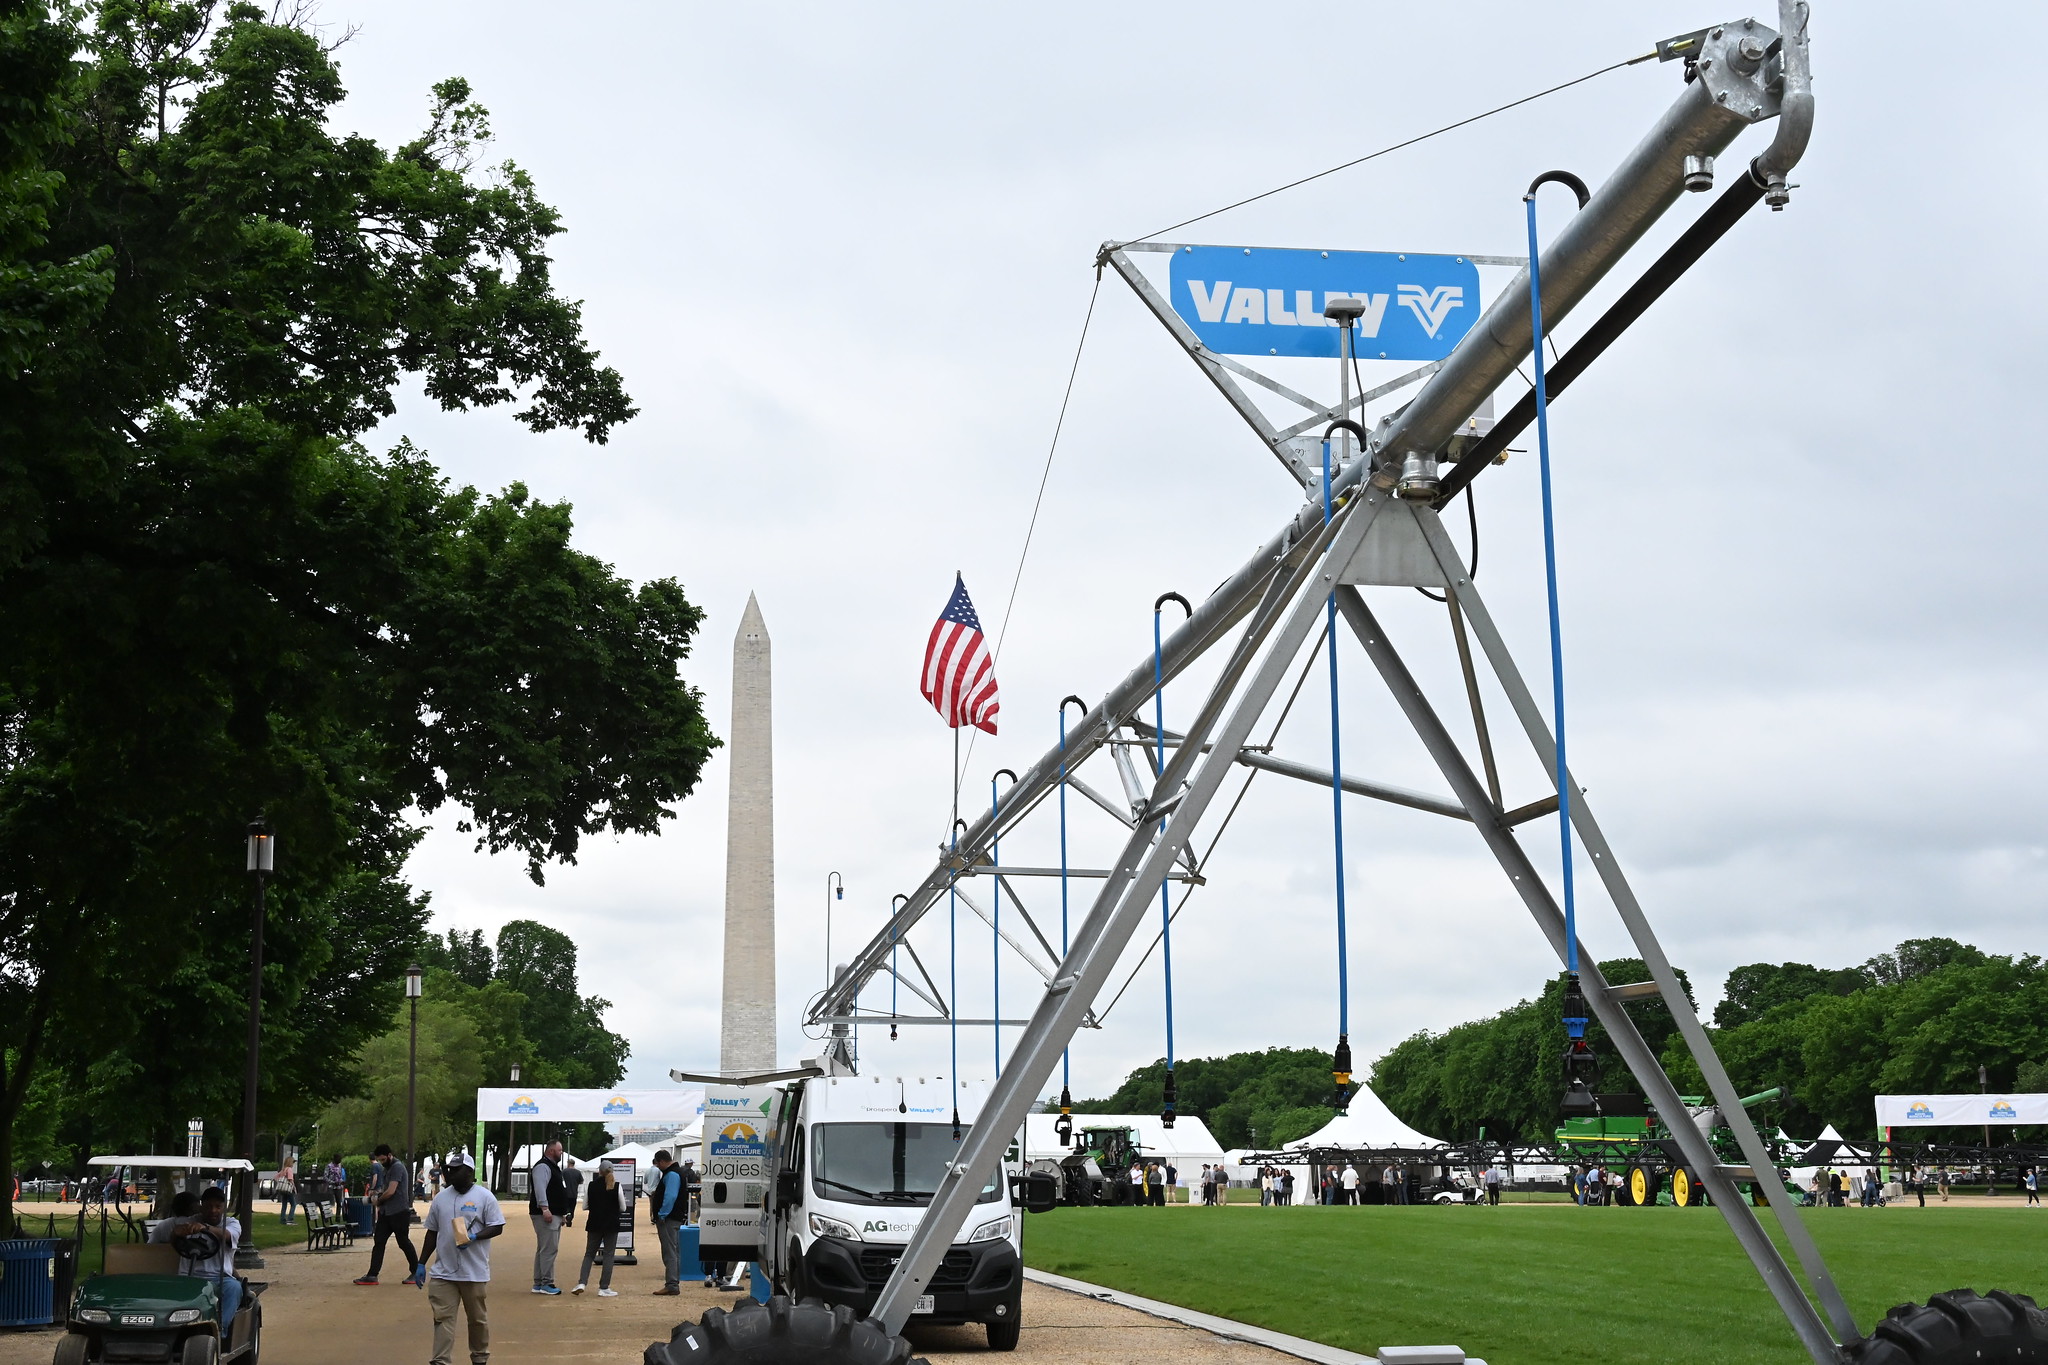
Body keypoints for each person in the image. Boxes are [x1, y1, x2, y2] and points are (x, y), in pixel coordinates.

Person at [421, 1150, 504, 1365]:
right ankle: (440, 1360)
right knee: (442, 1319)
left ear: (469, 1172)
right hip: (444, 1272)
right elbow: (432, 1231)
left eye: (456, 1170)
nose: (450, 1173)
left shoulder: (484, 1197)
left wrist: (475, 1236)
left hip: (473, 1272)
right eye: (449, 1169)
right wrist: (421, 1263)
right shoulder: (441, 1198)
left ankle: (479, 1357)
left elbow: (497, 1226)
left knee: (477, 1320)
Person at [151, 1186, 245, 1328]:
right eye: (208, 1206)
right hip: (188, 1276)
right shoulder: (189, 1221)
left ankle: (220, 1331)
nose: (213, 1210)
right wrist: (176, 1233)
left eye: (217, 1207)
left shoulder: (232, 1223)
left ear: (223, 1208)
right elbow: (174, 1240)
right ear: (201, 1207)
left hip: (218, 1278)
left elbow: (227, 1235)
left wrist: (205, 1228)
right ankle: (166, 1330)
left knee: (234, 1288)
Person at [356, 1144, 423, 1287]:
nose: (381, 1162)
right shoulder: (387, 1168)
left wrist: (378, 1201)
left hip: (399, 1212)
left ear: (390, 1155)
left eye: (383, 1159)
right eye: (379, 1160)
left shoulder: (397, 1167)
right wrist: (378, 1195)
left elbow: (391, 1191)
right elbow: (386, 1190)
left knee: (403, 1242)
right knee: (379, 1242)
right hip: (387, 1212)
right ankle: (372, 1275)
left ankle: (416, 1271)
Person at [572, 1160, 623, 1296]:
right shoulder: (617, 1186)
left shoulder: (592, 1185)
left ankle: (582, 1282)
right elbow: (623, 1207)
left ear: (599, 1171)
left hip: (594, 1223)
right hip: (611, 1224)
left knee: (589, 1254)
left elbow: (584, 1206)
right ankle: (604, 1287)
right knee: (608, 1255)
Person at [528, 1138, 571, 1295]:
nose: (561, 1153)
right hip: (546, 1214)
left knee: (544, 1249)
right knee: (549, 1249)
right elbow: (540, 1189)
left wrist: (562, 1213)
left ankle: (539, 1283)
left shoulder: (553, 1167)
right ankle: (547, 1282)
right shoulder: (542, 1167)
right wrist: (545, 1209)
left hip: (554, 1213)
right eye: (560, 1150)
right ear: (551, 1151)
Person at [648, 1149, 687, 1295]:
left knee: (669, 1251)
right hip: (675, 1217)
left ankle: (671, 1284)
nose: (658, 1167)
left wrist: (662, 1214)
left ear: (662, 1161)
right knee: (675, 1251)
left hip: (669, 1219)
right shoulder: (678, 1172)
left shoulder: (672, 1174)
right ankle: (673, 1282)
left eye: (658, 1164)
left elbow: (670, 1196)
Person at [559, 1156, 584, 1231]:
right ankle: (570, 1218)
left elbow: (560, 1180)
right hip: (574, 1193)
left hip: (565, 1193)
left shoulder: (564, 1171)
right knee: (572, 1207)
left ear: (568, 1163)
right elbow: (581, 1181)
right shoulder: (578, 1172)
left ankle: (567, 1216)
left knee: (566, 1207)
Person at [277, 1154, 297, 1226]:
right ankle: (290, 1219)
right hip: (288, 1189)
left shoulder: (283, 1169)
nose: (293, 1164)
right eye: (293, 1162)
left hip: (282, 1190)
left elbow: (276, 1177)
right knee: (293, 1204)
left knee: (284, 1205)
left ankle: (282, 1219)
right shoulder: (289, 1170)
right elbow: (290, 1179)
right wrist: (294, 1188)